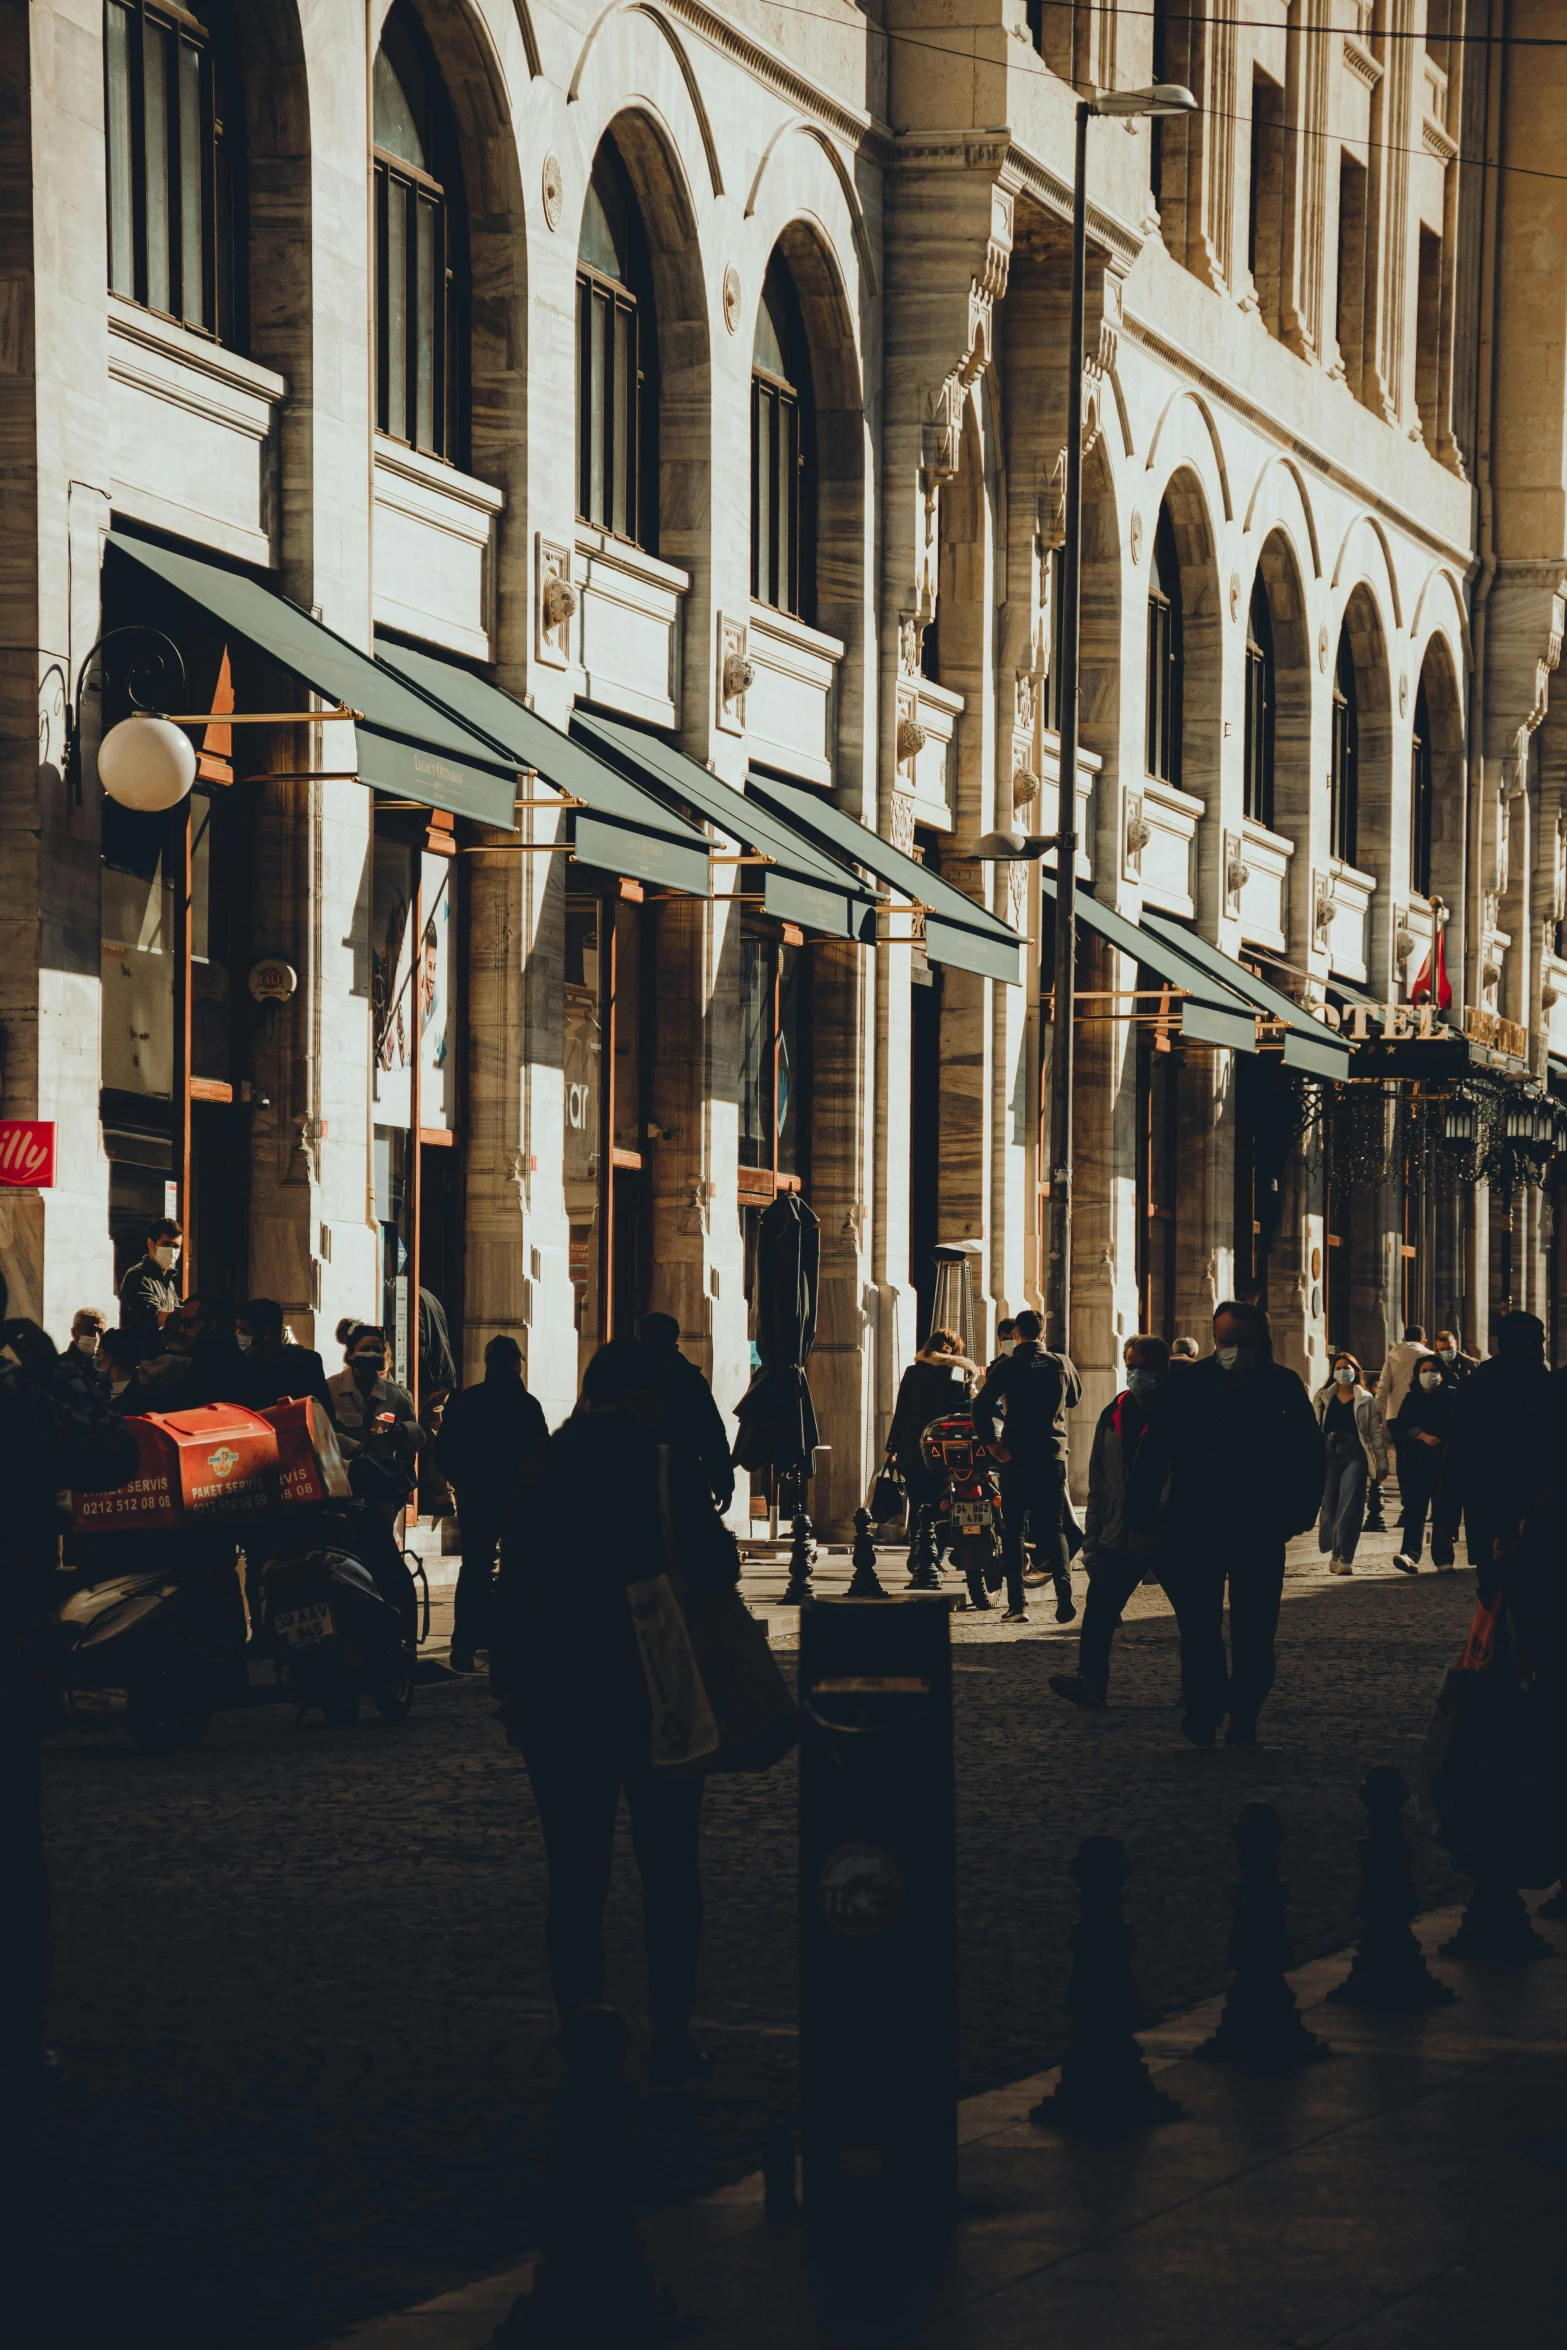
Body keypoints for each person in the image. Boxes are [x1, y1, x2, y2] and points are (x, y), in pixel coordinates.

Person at [490, 1338, 738, 2085]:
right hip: (652, 1688)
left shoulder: (542, 1465)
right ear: (639, 1397)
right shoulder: (663, 1467)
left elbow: (514, 1583)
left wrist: (511, 1686)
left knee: (576, 1871)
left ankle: (580, 2016)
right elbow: (717, 1567)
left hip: (558, 1695)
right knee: (669, 1867)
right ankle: (671, 2030)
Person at [0, 1284, 138, 2101]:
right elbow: (108, 1452)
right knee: (15, 1856)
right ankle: (19, 2039)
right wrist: (58, 1367)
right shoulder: (23, 1397)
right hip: (8, 1642)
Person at [1127, 1300, 1324, 1747]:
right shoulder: (1190, 1383)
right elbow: (1156, 1450)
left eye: (1240, 1341)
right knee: (1198, 1628)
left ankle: (1245, 1714)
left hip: (1258, 1525)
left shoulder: (1281, 1385)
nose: (1231, 1349)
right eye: (1224, 1340)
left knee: (1255, 1630)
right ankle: (1203, 1708)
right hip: (1195, 1523)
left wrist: (1297, 1514)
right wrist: (1141, 1514)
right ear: (1213, 1338)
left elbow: (1309, 1456)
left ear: (1259, 1341)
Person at [1050, 1335, 1171, 1711]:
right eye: (1130, 1366)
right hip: (1120, 1534)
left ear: (1159, 1370)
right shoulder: (1113, 1412)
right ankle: (1091, 1683)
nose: (1134, 1374)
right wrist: (1093, 1539)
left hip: (1170, 1535)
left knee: (1197, 1618)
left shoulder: (1179, 1412)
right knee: (1100, 1610)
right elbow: (1099, 1480)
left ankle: (1205, 1690)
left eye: (1142, 1367)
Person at [434, 1335, 549, 1673]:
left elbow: (444, 1452)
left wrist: (463, 1481)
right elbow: (543, 1454)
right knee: (519, 1569)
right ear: (515, 1364)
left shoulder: (466, 1401)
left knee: (474, 1569)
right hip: (518, 1499)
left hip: (478, 1497)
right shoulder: (527, 1405)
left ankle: (464, 1646)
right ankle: (513, 1643)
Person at [971, 1307, 1082, 1625]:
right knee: (1055, 1525)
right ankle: (1063, 1593)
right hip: (1051, 1453)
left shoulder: (1008, 1366)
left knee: (1014, 1529)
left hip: (1015, 1455)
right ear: (1043, 1334)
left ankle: (1017, 1605)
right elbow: (1074, 1398)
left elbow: (981, 1404)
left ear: (1016, 1334)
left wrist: (992, 1443)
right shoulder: (1061, 1363)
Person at [1438, 1310, 1553, 1605]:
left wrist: (1448, 1511)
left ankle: (1495, 1647)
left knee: (1492, 1589)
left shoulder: (1474, 1385)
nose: (1541, 1349)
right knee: (1535, 1593)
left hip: (1485, 1501)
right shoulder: (1545, 1387)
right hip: (1535, 1503)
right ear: (1527, 1345)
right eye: (1539, 1342)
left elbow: (1457, 1452)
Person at [884, 1329, 978, 1570]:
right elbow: (962, 1408)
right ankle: (933, 1556)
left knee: (918, 1503)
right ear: (956, 1350)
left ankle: (919, 1551)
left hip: (912, 1448)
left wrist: (891, 1446)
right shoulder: (958, 1371)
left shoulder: (913, 1372)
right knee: (943, 1503)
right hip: (943, 1447)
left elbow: (901, 1412)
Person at [328, 1324, 426, 1523]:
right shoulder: (329, 1390)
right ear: (352, 1353)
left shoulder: (397, 1395)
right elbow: (320, 1432)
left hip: (380, 1488)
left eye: (377, 1350)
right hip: (341, 1485)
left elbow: (416, 1440)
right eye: (365, 1349)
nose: (372, 1354)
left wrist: (403, 1432)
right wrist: (351, 1448)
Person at [640, 1312, 735, 1513]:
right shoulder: (690, 1380)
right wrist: (723, 1483)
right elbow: (712, 1436)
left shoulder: (627, 1378)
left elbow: (712, 1435)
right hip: (681, 1476)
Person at [1313, 1351, 1387, 1576]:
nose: (1343, 1371)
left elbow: (1375, 1433)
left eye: (1347, 1367)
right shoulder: (1323, 1396)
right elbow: (1313, 1427)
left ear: (1355, 1371)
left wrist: (1381, 1463)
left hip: (1355, 1452)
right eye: (1338, 1367)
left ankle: (1344, 1556)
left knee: (1351, 1504)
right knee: (1329, 1506)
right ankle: (1333, 1550)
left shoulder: (1365, 1398)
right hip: (1328, 1451)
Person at [1392, 1355, 1456, 1574]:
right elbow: (1403, 1424)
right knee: (1415, 1510)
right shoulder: (1411, 1399)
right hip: (1417, 1462)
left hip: (1444, 1462)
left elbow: (1458, 1424)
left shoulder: (1451, 1396)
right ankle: (1410, 1554)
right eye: (1424, 1370)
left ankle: (1444, 1558)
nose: (1429, 1375)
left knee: (1443, 1510)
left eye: (1433, 1370)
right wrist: (1421, 1435)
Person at [233, 1297, 333, 1415]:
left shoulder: (306, 1363)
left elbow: (323, 1414)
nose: (237, 1335)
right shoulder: (244, 1365)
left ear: (266, 1333)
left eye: (244, 1331)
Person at [1374, 1321, 1433, 1486]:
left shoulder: (1393, 1356)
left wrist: (1378, 1410)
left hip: (1395, 1414)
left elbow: (1383, 1385)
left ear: (1403, 1339)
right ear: (1424, 1341)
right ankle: (1419, 1488)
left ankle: (1406, 1489)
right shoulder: (1429, 1355)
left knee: (1403, 1454)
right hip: (1421, 1414)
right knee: (1421, 1454)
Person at [116, 1216, 182, 1349]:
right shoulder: (138, 1276)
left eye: (176, 1246)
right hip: (141, 1359)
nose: (172, 1251)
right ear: (151, 1244)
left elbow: (176, 1309)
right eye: (166, 1244)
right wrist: (185, 1319)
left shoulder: (168, 1282)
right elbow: (149, 1314)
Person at [68, 1308, 107, 1383]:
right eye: (89, 1330)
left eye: (100, 1331)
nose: (95, 1336)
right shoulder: (60, 1366)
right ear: (73, 1332)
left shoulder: (106, 1368)